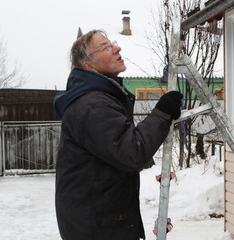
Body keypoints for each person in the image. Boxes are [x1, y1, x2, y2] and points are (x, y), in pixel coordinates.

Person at [53, 29, 183, 240]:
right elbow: (131, 151)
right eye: (106, 47)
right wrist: (162, 114)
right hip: (97, 226)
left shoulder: (99, 97)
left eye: (112, 43)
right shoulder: (92, 105)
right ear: (89, 65)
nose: (117, 48)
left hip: (99, 217)